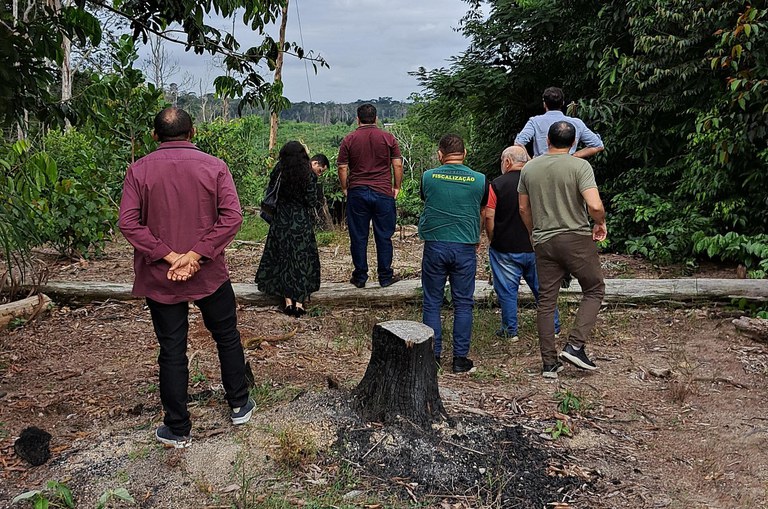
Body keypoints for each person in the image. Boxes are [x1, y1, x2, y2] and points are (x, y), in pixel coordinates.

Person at [118, 107, 254, 448]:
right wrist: (195, 256)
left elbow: (129, 222)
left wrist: (171, 256)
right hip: (208, 271)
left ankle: (177, 428)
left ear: (154, 136)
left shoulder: (139, 170)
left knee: (172, 349)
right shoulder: (214, 166)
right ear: (192, 133)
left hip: (161, 275)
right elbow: (232, 217)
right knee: (226, 336)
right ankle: (238, 403)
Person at [518, 121, 607, 379]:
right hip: (576, 237)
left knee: (546, 300)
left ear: (547, 140)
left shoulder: (530, 167)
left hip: (544, 240)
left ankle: (549, 364)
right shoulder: (580, 166)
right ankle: (575, 345)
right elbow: (594, 204)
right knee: (594, 288)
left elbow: (523, 208)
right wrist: (599, 222)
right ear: (573, 143)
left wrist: (534, 234)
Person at [419, 134, 488, 374]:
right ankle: (459, 359)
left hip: (435, 245)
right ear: (465, 153)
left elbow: (426, 198)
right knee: (463, 303)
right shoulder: (480, 180)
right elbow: (481, 208)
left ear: (440, 154)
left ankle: (432, 356)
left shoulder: (428, 177)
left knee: (432, 301)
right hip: (465, 247)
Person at [485, 146, 560, 341]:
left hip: (505, 247)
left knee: (508, 291)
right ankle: (554, 327)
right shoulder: (539, 181)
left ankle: (510, 331)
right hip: (537, 245)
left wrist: (492, 237)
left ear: (507, 162)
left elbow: (489, 215)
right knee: (543, 289)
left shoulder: (497, 184)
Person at [337, 103, 403, 288]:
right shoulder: (388, 137)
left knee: (358, 236)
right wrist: (396, 186)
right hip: (383, 191)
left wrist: (345, 188)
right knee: (384, 235)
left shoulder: (349, 139)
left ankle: (360, 277)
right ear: (376, 118)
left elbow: (342, 167)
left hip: (357, 191)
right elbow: (397, 164)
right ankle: (385, 276)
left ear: (357, 119)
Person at [255, 141, 321, 316]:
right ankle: (299, 303)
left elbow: (271, 192)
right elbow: (312, 201)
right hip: (301, 222)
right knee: (300, 259)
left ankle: (287, 302)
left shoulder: (279, 170)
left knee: (283, 258)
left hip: (281, 221)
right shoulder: (308, 173)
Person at [514, 86, 604, 158]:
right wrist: (574, 155)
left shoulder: (534, 122)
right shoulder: (576, 123)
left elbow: (518, 143)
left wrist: (530, 162)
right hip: (567, 167)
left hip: (541, 167)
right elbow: (598, 145)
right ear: (563, 103)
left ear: (544, 103)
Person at [310, 153, 333, 229]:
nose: (320, 174)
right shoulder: (306, 174)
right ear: (315, 163)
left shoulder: (312, 176)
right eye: (320, 170)